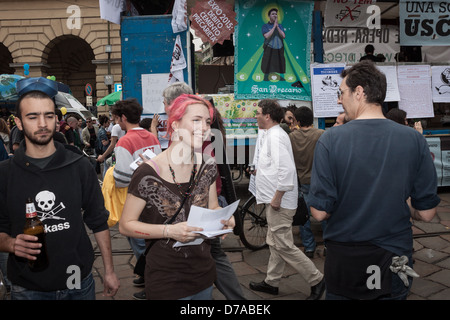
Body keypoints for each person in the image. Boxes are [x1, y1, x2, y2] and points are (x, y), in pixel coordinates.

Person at [309, 61, 440, 300]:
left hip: (344, 258)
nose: (339, 100)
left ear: (359, 92)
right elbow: (428, 213)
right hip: (393, 255)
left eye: (341, 93)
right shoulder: (414, 140)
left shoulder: (330, 140)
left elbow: (319, 213)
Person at [0, 77, 120, 299]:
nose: (42, 124)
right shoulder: (5, 174)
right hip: (28, 288)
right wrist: (10, 243)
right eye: (32, 117)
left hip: (77, 283)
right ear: (18, 122)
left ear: (56, 119)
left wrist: (110, 271)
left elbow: (98, 221)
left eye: (48, 115)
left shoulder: (79, 166)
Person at [119, 94, 235, 300]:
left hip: (203, 274)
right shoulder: (148, 172)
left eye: (207, 121)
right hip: (166, 279)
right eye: (196, 120)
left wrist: (223, 219)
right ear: (176, 123)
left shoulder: (207, 165)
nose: (205, 127)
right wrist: (169, 230)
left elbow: (213, 207)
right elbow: (126, 225)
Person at [249, 99, 325, 300]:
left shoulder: (276, 137)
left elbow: (287, 170)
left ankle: (317, 279)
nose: (255, 116)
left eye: (257, 113)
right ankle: (271, 282)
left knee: (282, 244)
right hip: (274, 200)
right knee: (275, 242)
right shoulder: (271, 134)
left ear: (267, 115)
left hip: (279, 202)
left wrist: (277, 197)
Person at [110, 98, 161, 298]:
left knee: (139, 242)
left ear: (123, 118)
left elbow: (122, 179)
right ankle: (145, 273)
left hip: (134, 199)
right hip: (153, 196)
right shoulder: (152, 136)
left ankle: (152, 283)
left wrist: (111, 175)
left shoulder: (124, 141)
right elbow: (158, 166)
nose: (117, 122)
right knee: (148, 241)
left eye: (117, 118)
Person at [289, 106, 325, 258]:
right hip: (319, 181)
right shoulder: (321, 135)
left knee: (304, 216)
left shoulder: (291, 137)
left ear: (297, 121)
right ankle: (328, 245)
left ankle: (309, 247)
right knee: (323, 214)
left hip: (300, 181)